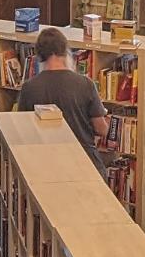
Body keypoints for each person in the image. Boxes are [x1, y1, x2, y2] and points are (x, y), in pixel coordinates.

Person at [13, 26, 110, 160]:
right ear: (65, 51)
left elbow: (23, 129)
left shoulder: (29, 88)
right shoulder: (85, 84)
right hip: (84, 161)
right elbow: (101, 130)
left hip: (45, 160)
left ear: (39, 56)